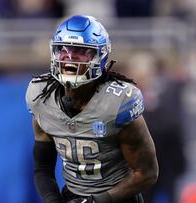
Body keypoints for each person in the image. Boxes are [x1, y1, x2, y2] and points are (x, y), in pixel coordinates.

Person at [25, 15, 159, 203]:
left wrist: (97, 201)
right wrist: (52, 199)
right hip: (73, 195)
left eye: (80, 51)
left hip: (117, 198)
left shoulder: (118, 102)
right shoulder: (41, 96)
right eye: (63, 50)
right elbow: (42, 168)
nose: (70, 58)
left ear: (100, 56)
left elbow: (147, 173)